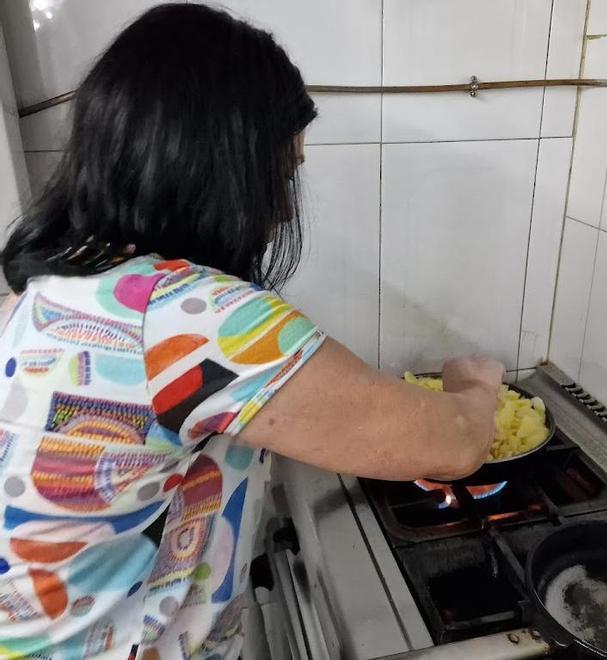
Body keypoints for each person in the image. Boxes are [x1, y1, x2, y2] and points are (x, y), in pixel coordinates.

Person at [0, 4, 502, 658]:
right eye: (281, 176)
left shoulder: (48, 290)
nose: (284, 207)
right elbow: (457, 446)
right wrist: (475, 390)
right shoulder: (193, 316)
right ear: (215, 170)